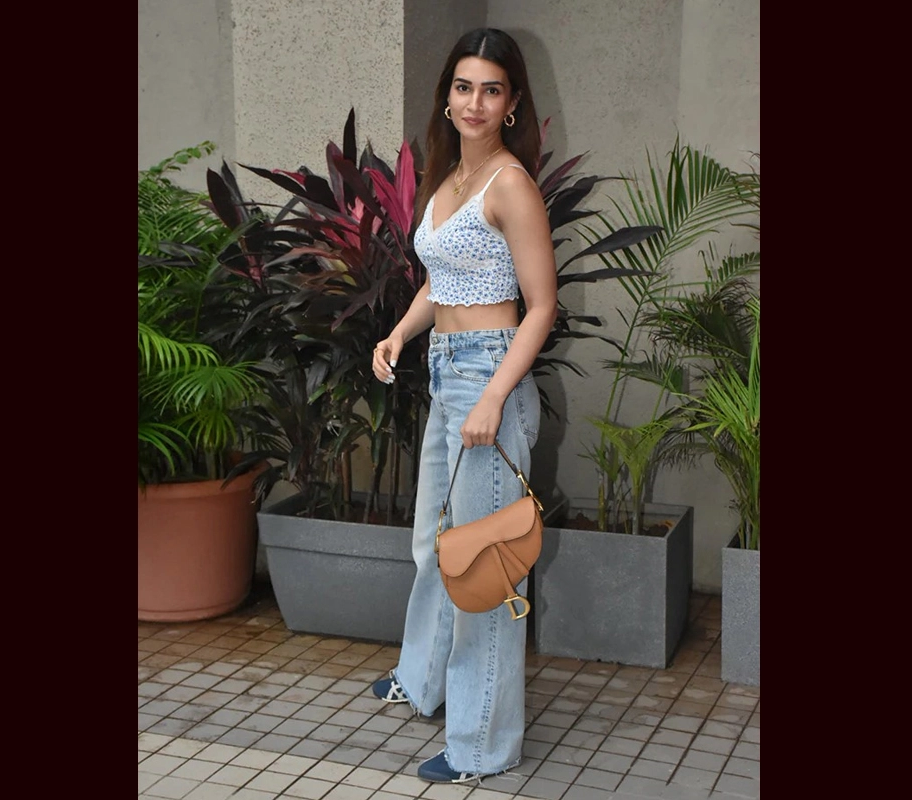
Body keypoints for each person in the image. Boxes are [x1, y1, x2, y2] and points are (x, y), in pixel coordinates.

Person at [369, 27, 557, 785]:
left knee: (482, 570)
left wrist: (495, 396)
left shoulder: (510, 184)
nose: (475, 102)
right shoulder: (450, 178)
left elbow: (541, 307)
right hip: (448, 372)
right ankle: (423, 679)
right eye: (463, 87)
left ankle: (481, 745)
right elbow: (440, 281)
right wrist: (399, 332)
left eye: (491, 90)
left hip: (488, 378)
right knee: (432, 545)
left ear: (512, 104)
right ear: (446, 97)